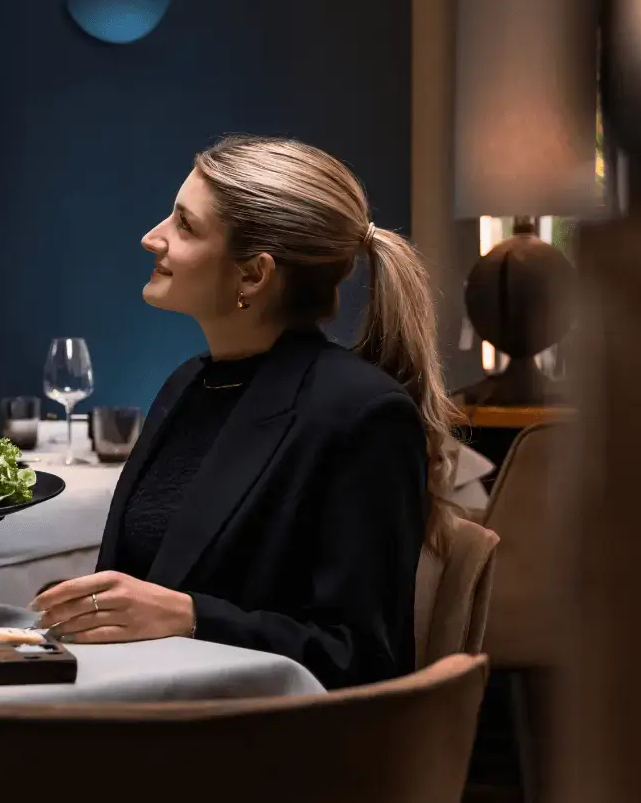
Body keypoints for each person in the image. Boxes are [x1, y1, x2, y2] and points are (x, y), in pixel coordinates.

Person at [32, 136, 454, 689]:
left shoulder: (362, 414)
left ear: (253, 275)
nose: (151, 237)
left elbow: (361, 659)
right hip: (145, 713)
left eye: (185, 225)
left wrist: (191, 617)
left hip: (257, 748)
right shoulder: (190, 383)